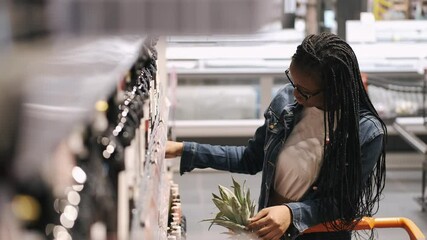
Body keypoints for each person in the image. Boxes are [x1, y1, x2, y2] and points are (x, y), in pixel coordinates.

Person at [165, 32, 387, 240]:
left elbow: (342, 204)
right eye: (293, 82)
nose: (295, 95)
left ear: (335, 90)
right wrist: (184, 150)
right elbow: (250, 158)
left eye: (305, 92)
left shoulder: (366, 132)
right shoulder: (286, 104)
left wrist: (291, 214)